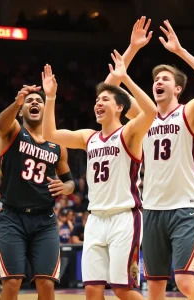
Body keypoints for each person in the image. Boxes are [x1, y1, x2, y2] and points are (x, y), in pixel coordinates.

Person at [41, 48, 157, 299]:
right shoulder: (88, 137)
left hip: (124, 217)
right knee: (92, 290)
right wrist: (50, 97)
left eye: (105, 99)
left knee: (122, 289)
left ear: (119, 107)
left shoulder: (129, 134)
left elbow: (150, 113)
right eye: (96, 101)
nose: (98, 103)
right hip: (95, 219)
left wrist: (124, 78)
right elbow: (49, 134)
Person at [139, 20, 194, 300]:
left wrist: (181, 52)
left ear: (178, 89)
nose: (158, 82)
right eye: (156, 79)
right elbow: (111, 92)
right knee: (155, 287)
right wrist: (132, 50)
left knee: (185, 282)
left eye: (165, 79)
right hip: (151, 208)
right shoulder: (143, 118)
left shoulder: (190, 113)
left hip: (185, 207)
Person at [0, 84, 75, 300]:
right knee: (12, 282)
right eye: (30, 101)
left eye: (39, 101)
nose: (34, 102)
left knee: (46, 283)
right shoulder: (12, 131)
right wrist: (17, 102)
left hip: (45, 220)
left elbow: (70, 182)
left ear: (45, 109)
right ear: (21, 111)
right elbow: (0, 123)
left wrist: (66, 187)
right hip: (13, 217)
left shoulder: (58, 143)